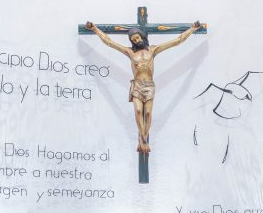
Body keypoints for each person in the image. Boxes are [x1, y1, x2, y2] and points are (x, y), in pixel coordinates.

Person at [84, 19, 203, 155]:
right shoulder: (130, 52)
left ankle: (144, 138)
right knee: (139, 112)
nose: (136, 41)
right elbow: (109, 42)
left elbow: (177, 41)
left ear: (142, 37)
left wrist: (192, 29)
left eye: (137, 38)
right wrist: (94, 29)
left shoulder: (153, 50)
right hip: (137, 85)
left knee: (147, 113)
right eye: (133, 40)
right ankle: (143, 138)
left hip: (149, 86)